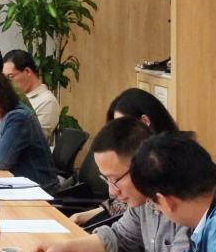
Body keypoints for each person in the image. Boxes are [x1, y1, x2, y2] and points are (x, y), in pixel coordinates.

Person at [28, 117, 189, 252]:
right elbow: (119, 238)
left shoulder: (185, 208)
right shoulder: (142, 201)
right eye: (107, 180)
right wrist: (64, 247)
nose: (112, 192)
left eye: (115, 179)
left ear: (143, 166)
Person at [69, 88, 181, 226]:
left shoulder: (172, 169)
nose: (119, 132)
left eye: (124, 124)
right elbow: (122, 219)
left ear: (145, 122)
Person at [2, 49, 59, 140]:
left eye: (10, 77)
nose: (7, 83)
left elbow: (34, 139)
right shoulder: (14, 97)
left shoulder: (47, 101)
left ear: (27, 71)